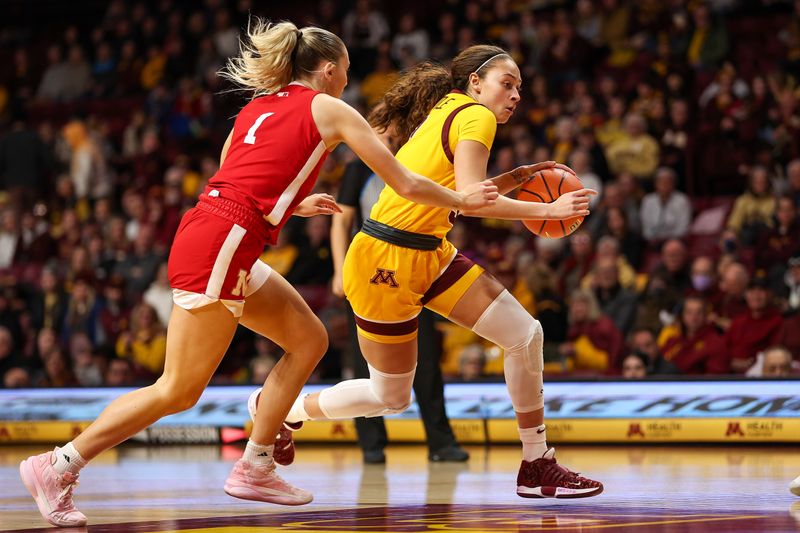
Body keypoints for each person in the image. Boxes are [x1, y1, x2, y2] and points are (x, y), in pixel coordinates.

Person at [19, 20, 499, 528]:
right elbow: (402, 181)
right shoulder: (330, 107)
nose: (347, 82)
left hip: (220, 233)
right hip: (223, 245)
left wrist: (289, 203)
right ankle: (59, 464)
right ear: (331, 70)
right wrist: (460, 198)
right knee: (178, 389)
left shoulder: (257, 106)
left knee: (309, 339)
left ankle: (256, 461)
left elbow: (231, 174)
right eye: (347, 73)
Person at [252, 45, 601, 498]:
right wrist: (550, 209)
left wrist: (514, 177)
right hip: (386, 258)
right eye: (507, 83)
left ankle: (537, 462)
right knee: (390, 398)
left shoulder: (451, 108)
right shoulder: (477, 116)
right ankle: (285, 409)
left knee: (525, 334)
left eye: (520, 87)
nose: (516, 94)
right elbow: (474, 200)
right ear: (475, 82)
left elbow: (458, 190)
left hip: (428, 250)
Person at [330, 114, 468, 464]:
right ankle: (372, 444)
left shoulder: (416, 162)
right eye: (384, 137)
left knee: (427, 359)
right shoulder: (358, 170)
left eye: (394, 138)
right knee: (365, 362)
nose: (389, 143)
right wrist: (337, 269)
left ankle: (440, 441)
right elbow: (340, 219)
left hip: (415, 269)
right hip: (368, 270)